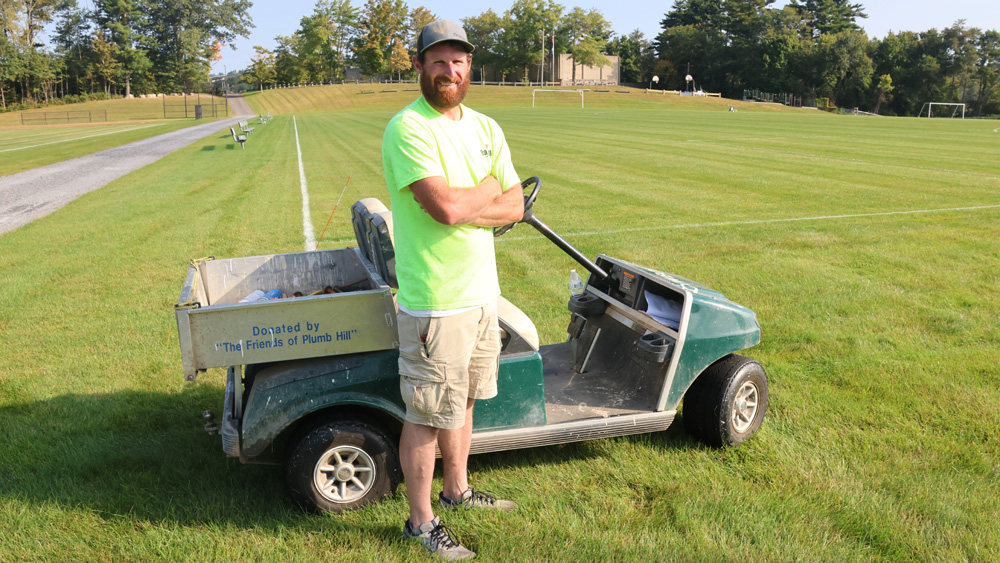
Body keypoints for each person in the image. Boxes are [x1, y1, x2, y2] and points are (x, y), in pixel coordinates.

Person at [381, 19, 525, 561]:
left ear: (470, 66)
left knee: (462, 399)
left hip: (482, 293)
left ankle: (457, 490)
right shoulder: (409, 128)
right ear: (418, 65)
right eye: (438, 60)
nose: (450, 70)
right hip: (436, 301)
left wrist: (478, 203)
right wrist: (489, 187)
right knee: (425, 413)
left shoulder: (486, 127)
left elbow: (519, 206)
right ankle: (420, 525)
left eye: (458, 60)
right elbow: (445, 208)